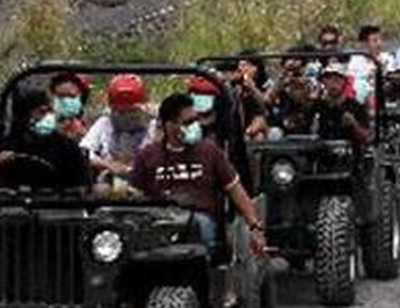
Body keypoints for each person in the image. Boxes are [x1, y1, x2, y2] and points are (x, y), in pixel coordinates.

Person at [129, 93, 265, 256]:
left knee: (198, 227)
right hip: (159, 220)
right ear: (169, 125)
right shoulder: (148, 155)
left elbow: (236, 190)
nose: (195, 125)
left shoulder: (210, 151)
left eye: (195, 120)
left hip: (200, 219)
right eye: (188, 122)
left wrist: (254, 227)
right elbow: (134, 194)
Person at [0, 87, 92, 189]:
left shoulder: (67, 147)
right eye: (41, 112)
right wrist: (0, 164)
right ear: (26, 116)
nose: (48, 117)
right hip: (17, 202)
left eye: (49, 112)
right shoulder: (6, 146)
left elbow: (83, 185)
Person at [81, 74, 152, 180]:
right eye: (120, 112)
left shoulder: (153, 126)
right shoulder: (104, 123)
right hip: (110, 179)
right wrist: (107, 165)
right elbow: (84, 150)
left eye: (132, 111)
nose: (126, 116)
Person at [314, 62, 371, 146]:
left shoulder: (356, 106)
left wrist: (354, 125)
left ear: (345, 82)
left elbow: (366, 138)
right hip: (320, 153)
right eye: (329, 79)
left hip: (349, 154)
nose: (333, 83)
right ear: (324, 82)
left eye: (337, 79)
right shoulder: (316, 106)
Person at [268, 47, 319, 134]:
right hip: (282, 123)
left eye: (296, 59)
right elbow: (269, 98)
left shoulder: (310, 79)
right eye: (290, 59)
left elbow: (312, 98)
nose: (293, 62)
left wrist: (301, 86)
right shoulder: (279, 79)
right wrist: (283, 76)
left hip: (306, 124)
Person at [347, 24, 390, 105]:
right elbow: (351, 81)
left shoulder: (387, 58)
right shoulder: (355, 60)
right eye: (375, 40)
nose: (379, 44)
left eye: (380, 40)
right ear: (365, 43)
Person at [49, 72, 90, 141]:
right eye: (61, 96)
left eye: (71, 96)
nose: (66, 101)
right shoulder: (47, 125)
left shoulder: (91, 126)